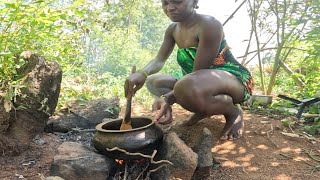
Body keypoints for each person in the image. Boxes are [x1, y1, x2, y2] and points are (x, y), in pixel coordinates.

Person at [124, 0, 254, 140]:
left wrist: (167, 98)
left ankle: (233, 111)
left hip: (232, 79)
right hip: (194, 80)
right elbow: (159, 60)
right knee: (153, 82)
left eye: (177, 2)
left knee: (187, 86)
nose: (170, 8)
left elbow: (198, 73)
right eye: (165, 3)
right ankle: (201, 110)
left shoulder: (209, 25)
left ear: (194, 2)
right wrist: (142, 73)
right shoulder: (172, 29)